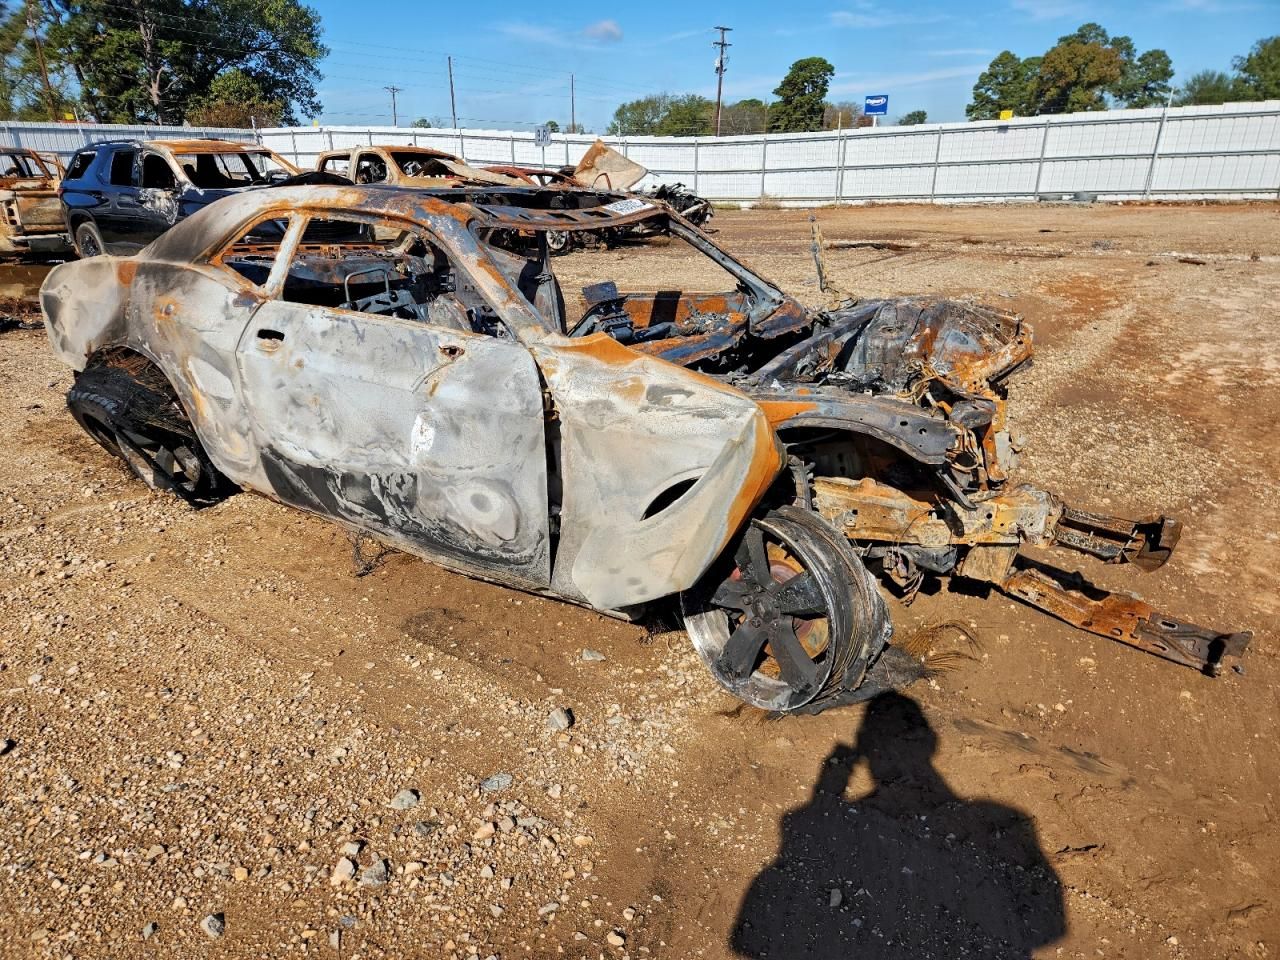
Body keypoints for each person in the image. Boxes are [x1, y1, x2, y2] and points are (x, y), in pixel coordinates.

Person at [731, 692, 1065, 958]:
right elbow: (1046, 926)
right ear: (931, 742)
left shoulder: (823, 825)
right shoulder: (1001, 815)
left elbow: (751, 939)